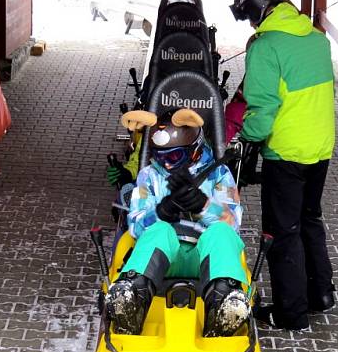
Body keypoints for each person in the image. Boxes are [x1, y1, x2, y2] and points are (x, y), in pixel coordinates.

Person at [230, 0, 336, 331]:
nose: (251, 24)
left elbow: (263, 106)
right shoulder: (316, 38)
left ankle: (291, 312)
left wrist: (246, 137)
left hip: (286, 151)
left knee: (282, 231)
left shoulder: (266, 46)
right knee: (310, 219)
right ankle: (320, 293)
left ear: (258, 9)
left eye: (249, 16)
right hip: (320, 147)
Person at [104, 108, 250, 337]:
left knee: (221, 233)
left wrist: (203, 205)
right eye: (160, 156)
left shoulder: (219, 174)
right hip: (162, 259)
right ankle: (131, 301)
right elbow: (135, 226)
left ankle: (224, 304)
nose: (166, 164)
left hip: (205, 259)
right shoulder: (149, 176)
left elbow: (233, 224)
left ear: (194, 150)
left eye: (173, 157)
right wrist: (162, 211)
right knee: (159, 230)